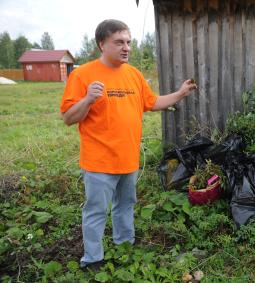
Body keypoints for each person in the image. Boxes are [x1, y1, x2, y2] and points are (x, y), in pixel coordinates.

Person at [60, 19, 197, 269]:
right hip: (99, 162)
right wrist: (88, 99)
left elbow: (152, 102)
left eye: (129, 42)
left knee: (125, 206)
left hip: (128, 159)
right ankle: (93, 259)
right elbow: (69, 118)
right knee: (96, 211)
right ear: (102, 44)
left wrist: (180, 93)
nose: (126, 48)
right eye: (119, 42)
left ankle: (125, 245)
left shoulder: (133, 74)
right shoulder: (83, 75)